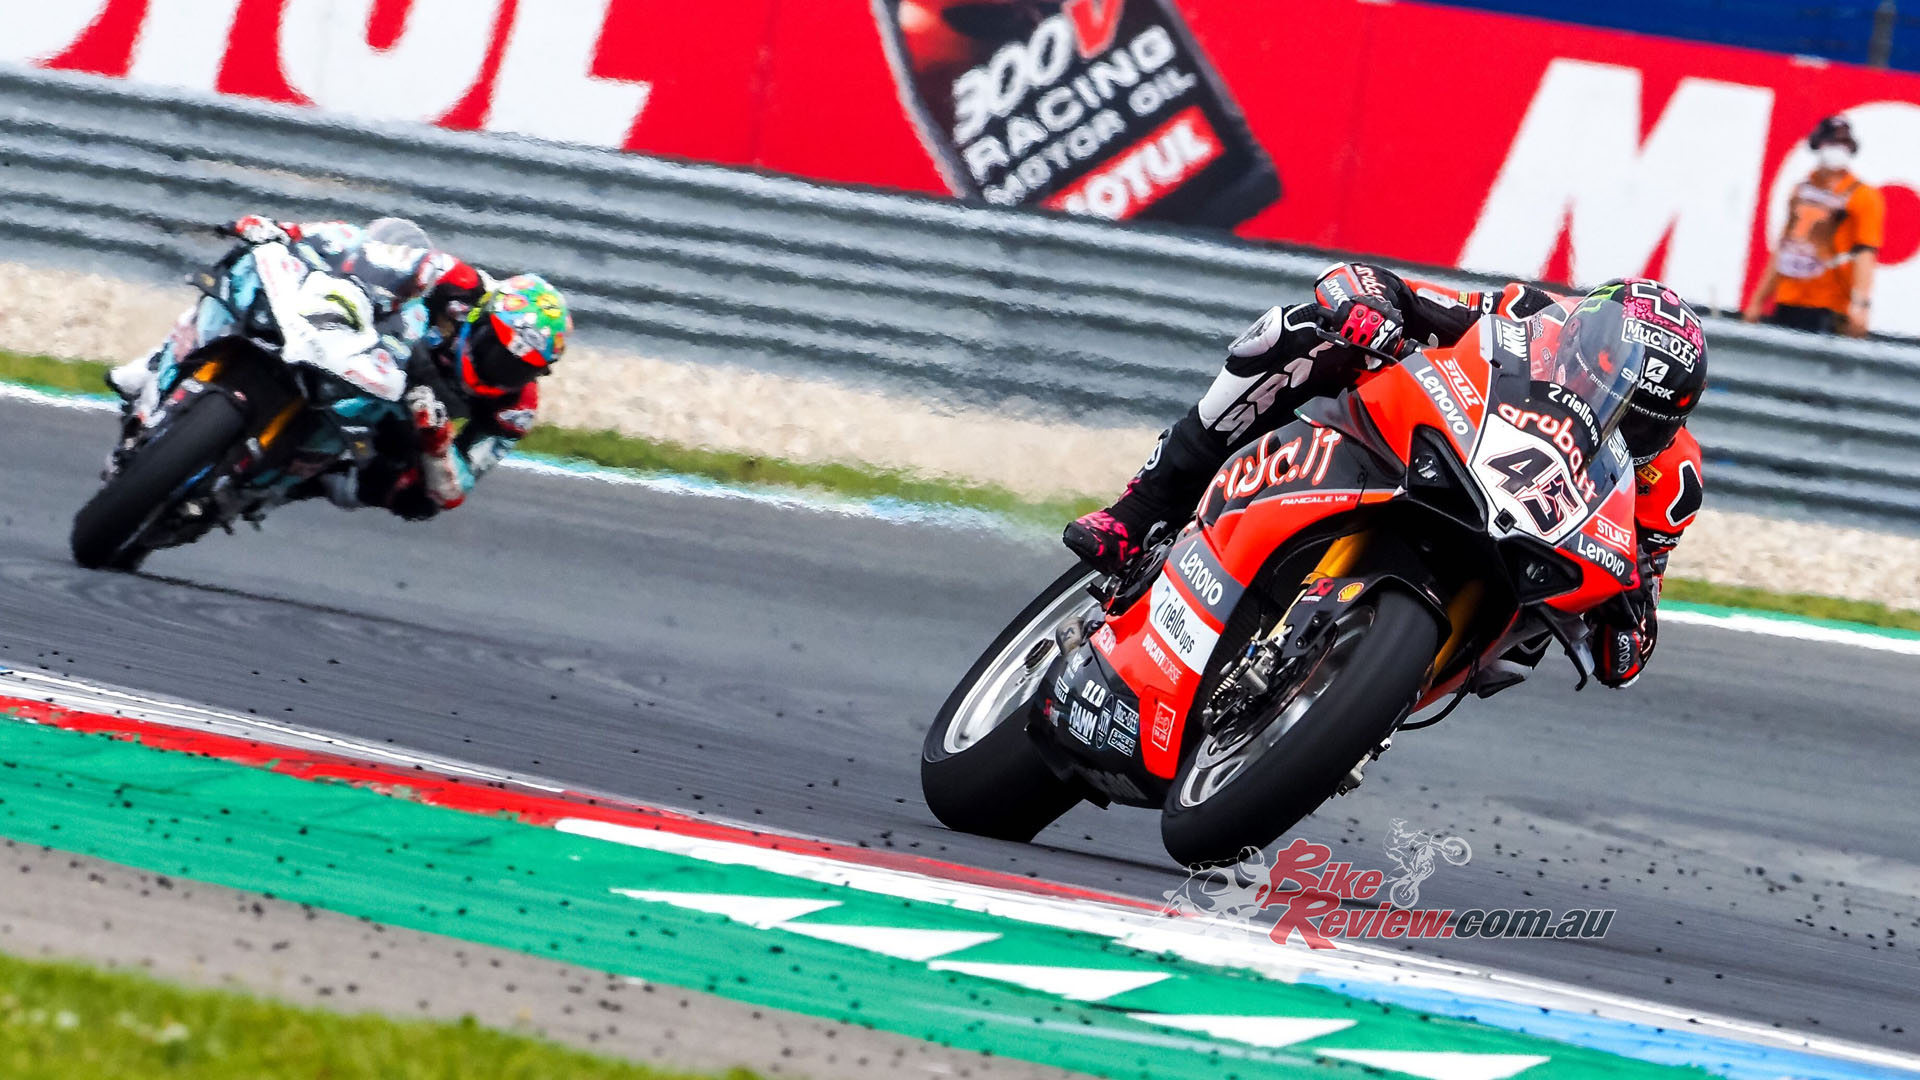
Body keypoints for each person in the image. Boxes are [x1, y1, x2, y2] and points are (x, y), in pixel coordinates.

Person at [1064, 263, 1708, 688]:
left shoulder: (1674, 481)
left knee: (1547, 633)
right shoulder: (1532, 316)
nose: (1614, 422)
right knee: (1300, 332)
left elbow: (1630, 645)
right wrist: (1371, 309)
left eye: (1640, 425)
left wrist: (1628, 612)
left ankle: (1352, 705)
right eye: (1610, 395)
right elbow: (1386, 288)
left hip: (1521, 563)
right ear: (1576, 345)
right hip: (1436, 451)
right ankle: (1139, 512)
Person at [108, 214, 571, 521]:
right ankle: (156, 367)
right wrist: (284, 231)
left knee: (410, 497)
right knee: (244, 274)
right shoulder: (456, 280)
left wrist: (435, 443)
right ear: (480, 318)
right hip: (367, 347)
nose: (499, 369)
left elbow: (454, 490)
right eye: (496, 350)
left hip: (400, 417)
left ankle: (293, 485)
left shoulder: (515, 409)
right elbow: (359, 252)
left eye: (516, 368)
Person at [1742, 115, 1884, 337]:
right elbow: (1784, 248)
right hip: (1789, 298)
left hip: (1830, 304)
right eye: (1831, 142)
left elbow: (1865, 254)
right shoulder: (1801, 191)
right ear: (1818, 144)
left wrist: (1861, 304)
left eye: (1842, 143)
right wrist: (1758, 300)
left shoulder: (1863, 196)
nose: (1837, 149)